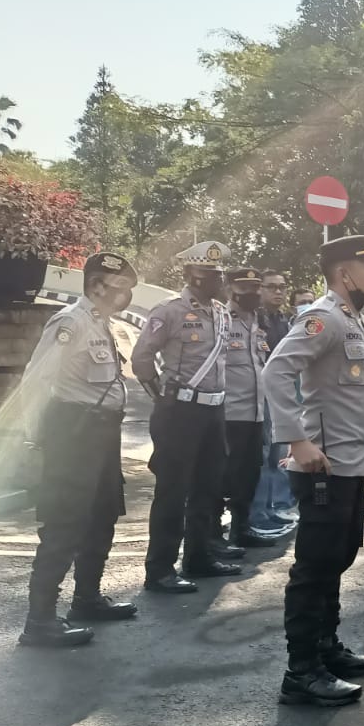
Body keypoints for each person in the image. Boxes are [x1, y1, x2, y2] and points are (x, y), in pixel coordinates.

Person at [261, 234, 364, 707]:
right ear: (343, 272)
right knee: (314, 567)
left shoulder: (357, 321)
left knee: (338, 556)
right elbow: (275, 371)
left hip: (349, 464)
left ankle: (326, 646)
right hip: (322, 465)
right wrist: (296, 439)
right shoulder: (324, 318)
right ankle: (301, 671)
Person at [15, 252, 140, 647]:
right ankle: (39, 620)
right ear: (96, 285)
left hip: (103, 434)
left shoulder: (102, 323)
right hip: (73, 434)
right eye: (119, 287)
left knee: (103, 514)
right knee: (64, 522)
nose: (126, 295)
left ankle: (87, 598)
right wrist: (34, 438)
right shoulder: (70, 322)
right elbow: (37, 380)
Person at [131, 241, 244, 594]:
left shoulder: (222, 313)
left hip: (214, 410)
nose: (219, 281)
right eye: (211, 275)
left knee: (208, 488)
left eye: (219, 274)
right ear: (192, 276)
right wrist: (161, 397)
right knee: (172, 490)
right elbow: (142, 358)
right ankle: (160, 569)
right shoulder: (169, 311)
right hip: (180, 411)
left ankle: (199, 557)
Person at [212, 267, 273, 549]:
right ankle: (213, 535)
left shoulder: (259, 321)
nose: (253, 293)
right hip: (229, 413)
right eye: (245, 288)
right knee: (222, 475)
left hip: (255, 413)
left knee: (250, 473)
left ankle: (241, 528)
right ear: (230, 289)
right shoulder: (220, 319)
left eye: (256, 287)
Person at [250, 269, 299, 536]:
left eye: (282, 286)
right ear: (260, 290)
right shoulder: (253, 318)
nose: (278, 291)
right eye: (271, 287)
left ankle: (271, 509)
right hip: (257, 396)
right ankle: (257, 513)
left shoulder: (283, 320)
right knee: (261, 455)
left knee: (276, 457)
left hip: (279, 396)